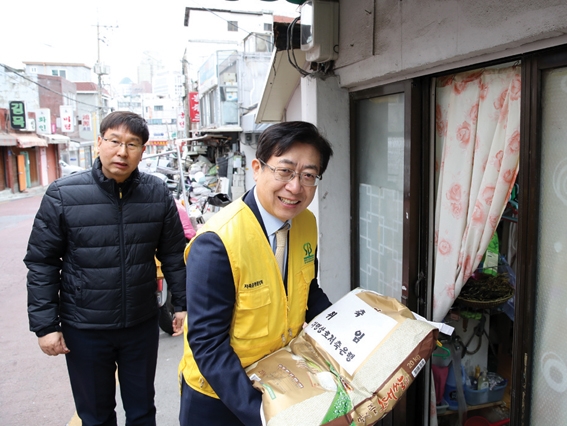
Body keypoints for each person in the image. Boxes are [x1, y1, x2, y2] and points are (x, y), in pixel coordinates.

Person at [24, 111, 187, 426]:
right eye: (115, 141)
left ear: (143, 150)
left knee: (142, 411)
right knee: (95, 415)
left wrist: (181, 303)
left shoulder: (157, 194)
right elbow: (42, 261)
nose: (122, 152)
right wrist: (46, 325)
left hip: (140, 324)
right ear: (99, 143)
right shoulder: (63, 194)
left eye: (133, 144)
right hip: (84, 327)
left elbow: (172, 253)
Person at [178, 121, 334, 425]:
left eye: (308, 175)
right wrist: (261, 414)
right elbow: (207, 343)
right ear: (257, 168)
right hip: (218, 397)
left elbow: (308, 290)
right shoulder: (217, 242)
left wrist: (348, 338)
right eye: (284, 171)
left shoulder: (306, 223)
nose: (295, 187)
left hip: (278, 380)